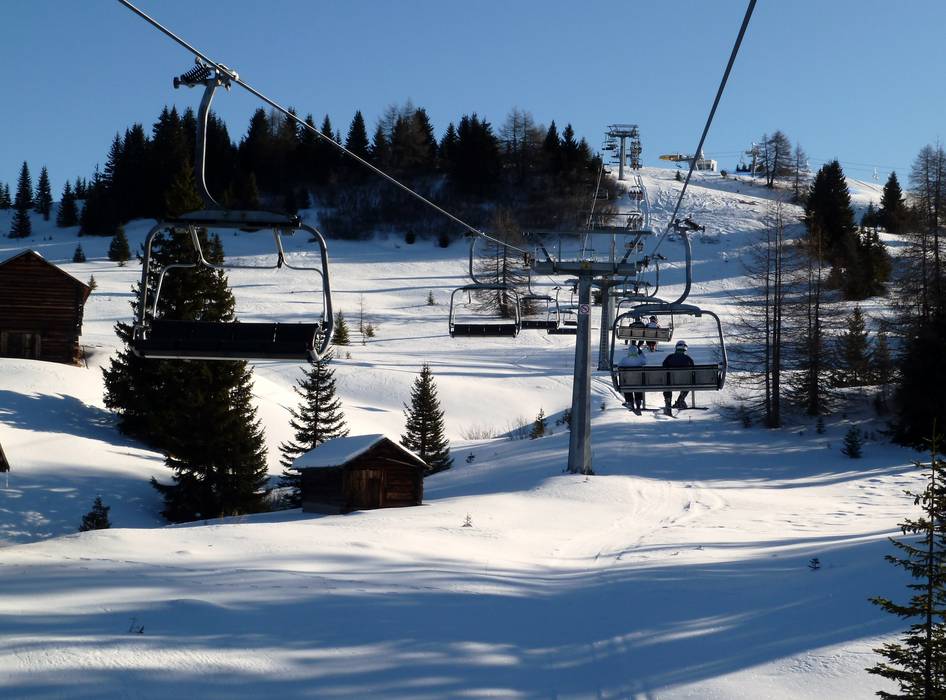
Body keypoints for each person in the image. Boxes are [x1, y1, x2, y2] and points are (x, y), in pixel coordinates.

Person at [662, 339, 694, 415]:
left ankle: (668, 402)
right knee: (688, 382)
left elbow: (663, 368)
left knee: (667, 383)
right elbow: (693, 371)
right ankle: (681, 399)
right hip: (685, 383)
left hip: (670, 382)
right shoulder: (688, 359)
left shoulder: (670, 357)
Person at [617, 345, 646, 414]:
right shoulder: (640, 360)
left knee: (627, 385)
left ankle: (630, 402)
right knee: (638, 385)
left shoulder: (624, 360)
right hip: (638, 382)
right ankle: (638, 403)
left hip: (627, 383)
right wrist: (641, 353)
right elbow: (645, 361)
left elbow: (619, 365)